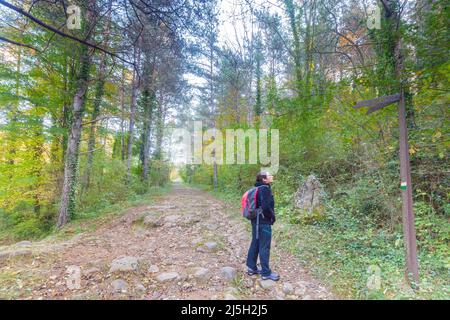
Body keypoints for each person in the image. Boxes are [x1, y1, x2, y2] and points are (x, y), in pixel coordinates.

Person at [246, 171, 280, 281]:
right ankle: (265, 273)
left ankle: (251, 268)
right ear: (264, 179)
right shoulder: (265, 189)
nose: (272, 176)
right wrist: (272, 218)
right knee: (265, 246)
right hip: (263, 222)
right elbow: (266, 207)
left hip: (255, 220)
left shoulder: (256, 189)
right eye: (269, 175)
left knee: (255, 243)